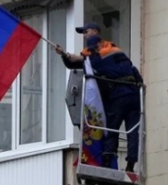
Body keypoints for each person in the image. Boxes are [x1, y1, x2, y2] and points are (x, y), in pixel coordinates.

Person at [55, 22, 143, 172]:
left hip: (119, 94)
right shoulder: (115, 49)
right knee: (133, 131)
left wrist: (64, 54)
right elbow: (134, 69)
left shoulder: (94, 48)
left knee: (111, 127)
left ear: (95, 32)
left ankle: (108, 160)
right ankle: (131, 164)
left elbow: (76, 61)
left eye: (86, 32)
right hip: (135, 94)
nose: (84, 35)